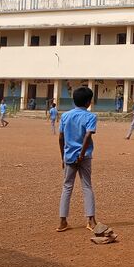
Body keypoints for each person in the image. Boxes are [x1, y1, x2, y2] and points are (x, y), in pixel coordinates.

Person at [57, 86, 98, 232]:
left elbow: (61, 137)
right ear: (88, 102)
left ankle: (63, 221)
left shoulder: (65, 116)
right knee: (87, 186)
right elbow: (88, 135)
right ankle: (91, 220)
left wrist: (63, 156)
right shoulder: (91, 117)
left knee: (67, 187)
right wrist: (81, 154)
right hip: (84, 156)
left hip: (68, 156)